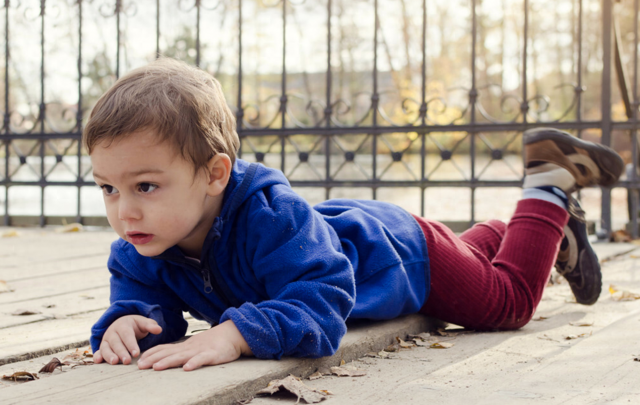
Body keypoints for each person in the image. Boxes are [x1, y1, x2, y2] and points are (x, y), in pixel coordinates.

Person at [86, 58, 623, 372]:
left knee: (508, 300)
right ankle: (523, 235)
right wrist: (129, 326)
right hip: (352, 234)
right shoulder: (140, 246)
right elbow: (148, 313)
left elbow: (322, 306)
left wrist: (236, 334)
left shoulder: (270, 217)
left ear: (214, 175)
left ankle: (548, 185)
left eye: (146, 185)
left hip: (406, 255)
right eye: (108, 188)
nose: (124, 210)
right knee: (486, 261)